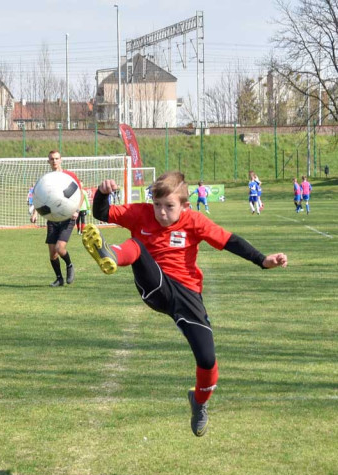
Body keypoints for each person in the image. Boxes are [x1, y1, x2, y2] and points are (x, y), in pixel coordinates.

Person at [81, 171, 288, 437]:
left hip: (187, 295)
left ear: (184, 206)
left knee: (207, 359)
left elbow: (229, 241)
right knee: (137, 246)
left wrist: (262, 260)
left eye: (169, 206)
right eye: (157, 205)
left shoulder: (194, 220)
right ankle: (109, 254)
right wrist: (102, 193)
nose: (161, 212)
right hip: (154, 286)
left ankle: (199, 403)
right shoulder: (140, 213)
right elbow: (102, 213)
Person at [30, 150, 81, 286]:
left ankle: (69, 265)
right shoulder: (46, 179)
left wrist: (76, 210)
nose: (54, 161)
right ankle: (59, 279)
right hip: (52, 218)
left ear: (61, 160)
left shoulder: (69, 177)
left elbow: (80, 194)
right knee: (52, 253)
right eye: (52, 159)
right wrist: (35, 212)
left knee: (59, 248)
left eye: (57, 158)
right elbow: (40, 197)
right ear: (48, 161)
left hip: (68, 217)